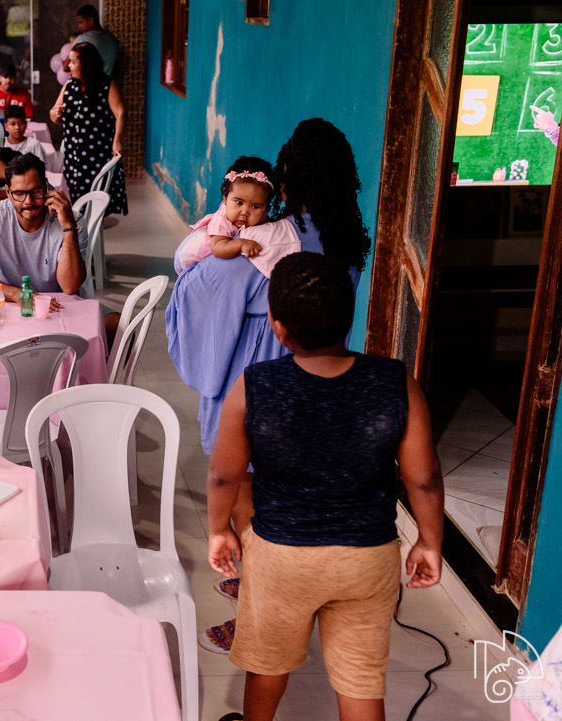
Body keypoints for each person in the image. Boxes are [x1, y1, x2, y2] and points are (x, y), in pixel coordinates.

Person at [165, 118, 374, 654]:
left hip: (261, 377)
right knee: (286, 492)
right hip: (323, 375)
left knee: (248, 497)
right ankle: (264, 585)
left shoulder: (264, 239)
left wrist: (201, 257)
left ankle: (257, 613)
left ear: (289, 180)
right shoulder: (349, 239)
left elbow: (197, 288)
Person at [206, 252, 444, 721]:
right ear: (348, 317)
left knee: (268, 664)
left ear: (278, 327)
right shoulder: (395, 380)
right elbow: (424, 478)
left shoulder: (256, 384)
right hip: (369, 558)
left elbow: (224, 474)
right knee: (360, 677)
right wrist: (430, 542)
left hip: (282, 557)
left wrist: (219, 530)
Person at [0, 152, 85, 303]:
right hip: (10, 302)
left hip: (61, 304)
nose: (28, 201)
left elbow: (70, 286)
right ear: (8, 192)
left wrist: (69, 227)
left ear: (46, 187)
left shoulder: (71, 220)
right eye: (19, 193)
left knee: (119, 323)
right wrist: (18, 295)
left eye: (36, 192)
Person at [174, 156, 297, 276]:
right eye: (239, 202)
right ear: (225, 199)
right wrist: (241, 244)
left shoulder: (262, 217)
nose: (245, 212)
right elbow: (218, 248)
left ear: (266, 209)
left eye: (256, 206)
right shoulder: (222, 220)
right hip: (197, 254)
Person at [51, 41, 127, 215]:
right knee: (73, 200)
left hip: (96, 156)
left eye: (73, 61)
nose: (68, 65)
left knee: (94, 199)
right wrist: (56, 114)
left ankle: (89, 226)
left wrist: (117, 140)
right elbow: (53, 113)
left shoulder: (106, 85)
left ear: (85, 63)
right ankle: (79, 228)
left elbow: (120, 112)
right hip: (73, 157)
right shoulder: (69, 86)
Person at [73, 4, 120, 77]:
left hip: (90, 85)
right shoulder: (113, 39)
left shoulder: (81, 39)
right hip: (109, 83)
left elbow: (66, 67)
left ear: (91, 21)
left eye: (81, 22)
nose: (79, 26)